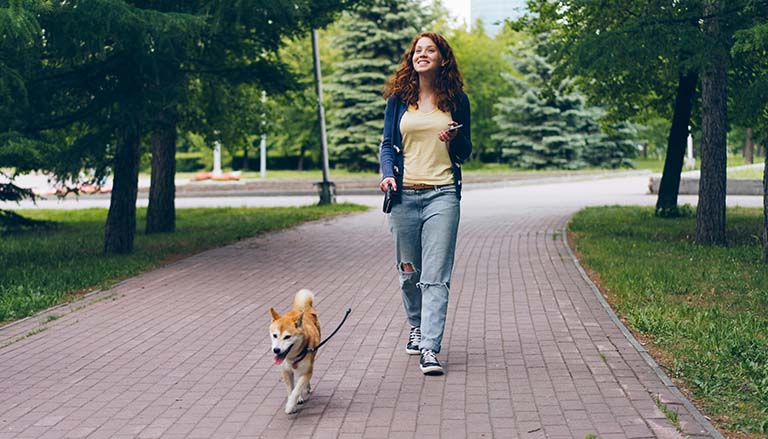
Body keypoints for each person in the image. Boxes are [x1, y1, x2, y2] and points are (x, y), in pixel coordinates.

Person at [379, 32, 471, 375]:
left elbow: (465, 153)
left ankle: (430, 348)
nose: (422, 54)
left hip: (443, 195)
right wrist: (388, 174)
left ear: (442, 58)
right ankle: (416, 326)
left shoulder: (457, 100)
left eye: (430, 50)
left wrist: (456, 136)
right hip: (404, 196)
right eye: (418, 50)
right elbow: (387, 145)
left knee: (436, 276)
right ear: (412, 59)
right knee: (409, 273)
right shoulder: (398, 100)